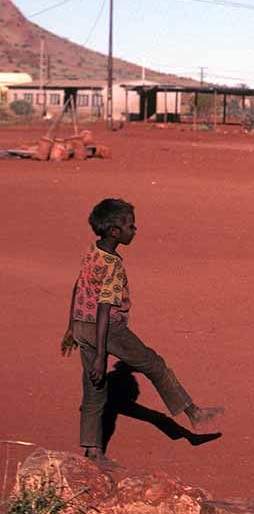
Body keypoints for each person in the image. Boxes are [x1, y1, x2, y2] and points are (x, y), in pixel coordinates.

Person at [60, 198, 223, 469]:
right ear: (115, 232)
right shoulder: (112, 264)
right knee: (154, 364)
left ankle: (92, 451)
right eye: (130, 226)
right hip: (107, 329)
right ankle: (193, 413)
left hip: (81, 325)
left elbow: (79, 286)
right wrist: (102, 355)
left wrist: (70, 327)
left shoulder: (91, 251)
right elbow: (103, 307)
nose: (134, 230)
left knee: (94, 390)